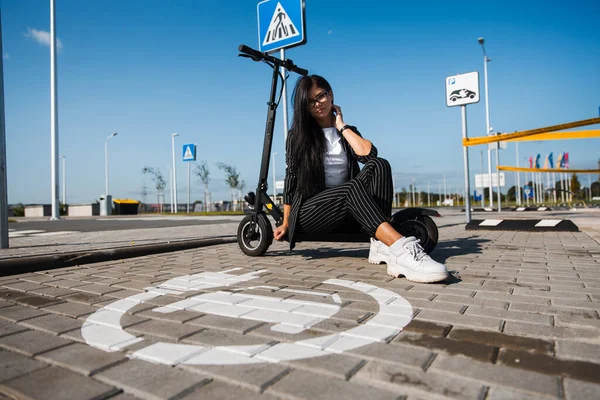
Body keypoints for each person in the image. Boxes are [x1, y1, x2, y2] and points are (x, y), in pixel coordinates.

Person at [273, 75, 448, 284]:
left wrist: (342, 126)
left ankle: (379, 243)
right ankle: (400, 249)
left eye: (321, 96)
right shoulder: (298, 136)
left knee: (380, 164)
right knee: (351, 187)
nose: (317, 104)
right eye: (310, 101)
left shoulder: (346, 132)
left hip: (345, 205)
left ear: (331, 95)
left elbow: (369, 155)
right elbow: (291, 178)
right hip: (311, 212)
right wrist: (285, 222)